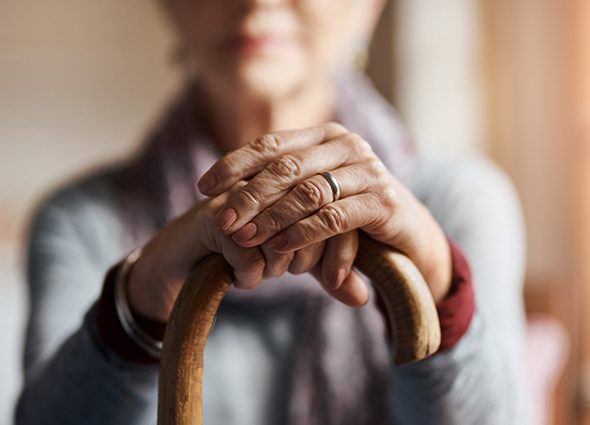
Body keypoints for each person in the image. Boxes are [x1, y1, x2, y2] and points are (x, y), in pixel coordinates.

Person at [16, 0, 529, 424]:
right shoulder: (81, 220)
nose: (255, 3)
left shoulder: (460, 199)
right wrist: (136, 302)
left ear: (367, 8)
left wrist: (436, 288)